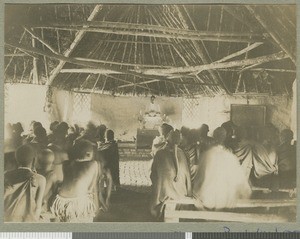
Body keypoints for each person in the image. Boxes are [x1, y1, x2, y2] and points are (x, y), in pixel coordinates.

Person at [51, 140, 104, 222]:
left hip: (60, 200)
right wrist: (96, 205)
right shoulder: (94, 164)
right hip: (78, 201)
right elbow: (92, 188)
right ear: (88, 154)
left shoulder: (66, 164)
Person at [150, 130, 192, 220]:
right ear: (179, 141)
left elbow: (153, 175)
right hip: (182, 193)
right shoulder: (184, 154)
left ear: (167, 140)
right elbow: (188, 175)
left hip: (164, 194)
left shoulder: (159, 153)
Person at [193, 145, 251, 210]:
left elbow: (196, 186)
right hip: (225, 204)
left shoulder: (205, 156)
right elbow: (245, 191)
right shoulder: (231, 158)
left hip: (209, 202)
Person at [4, 144, 46, 222]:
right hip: (27, 220)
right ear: (34, 160)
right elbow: (38, 208)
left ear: (16, 159)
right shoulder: (40, 179)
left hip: (7, 219)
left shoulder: (5, 175)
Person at [36, 149, 60, 214]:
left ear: (38, 161)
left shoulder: (35, 172)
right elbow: (55, 193)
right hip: (41, 204)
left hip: (32, 201)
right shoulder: (52, 175)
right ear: (53, 162)